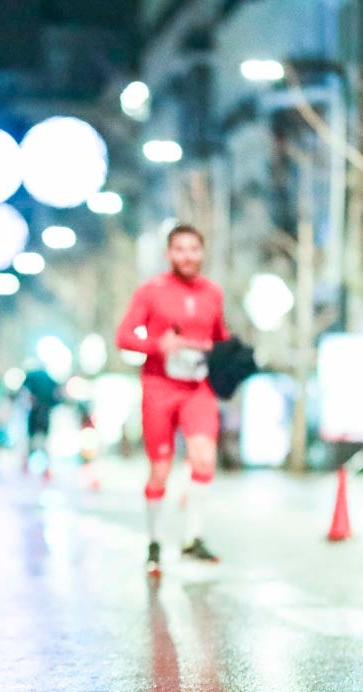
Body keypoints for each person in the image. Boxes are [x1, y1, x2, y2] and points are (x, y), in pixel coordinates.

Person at [115, 224, 229, 574]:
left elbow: (221, 337)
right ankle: (154, 541)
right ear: (169, 254)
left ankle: (193, 538)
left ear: (202, 252)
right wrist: (156, 345)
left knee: (203, 457)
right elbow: (123, 336)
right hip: (159, 388)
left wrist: (221, 350)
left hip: (197, 388)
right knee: (160, 471)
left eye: (193, 249)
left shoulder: (213, 293)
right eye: (179, 249)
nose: (187, 256)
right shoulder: (152, 291)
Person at [20, 363, 62, 479]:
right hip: (44, 414)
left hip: (35, 414)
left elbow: (23, 391)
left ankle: (27, 466)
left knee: (31, 441)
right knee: (43, 442)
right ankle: (45, 469)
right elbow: (58, 397)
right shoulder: (49, 379)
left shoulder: (31, 377)